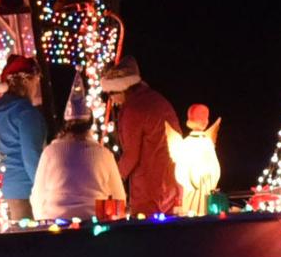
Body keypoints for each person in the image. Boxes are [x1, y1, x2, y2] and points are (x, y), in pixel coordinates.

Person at [30, 73, 126, 221]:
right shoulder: (104, 154)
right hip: (94, 224)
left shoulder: (50, 152)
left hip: (55, 223)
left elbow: (37, 195)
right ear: (90, 126)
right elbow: (119, 197)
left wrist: (42, 221)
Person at [101, 54, 180, 216]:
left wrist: (109, 181)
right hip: (171, 185)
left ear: (123, 88)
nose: (112, 100)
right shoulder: (156, 100)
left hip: (148, 190)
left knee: (145, 234)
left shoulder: (133, 110)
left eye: (111, 94)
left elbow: (131, 156)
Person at [0, 54, 47, 221]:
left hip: (6, 186)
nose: (36, 88)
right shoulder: (27, 114)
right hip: (26, 188)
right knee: (33, 241)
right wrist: (45, 189)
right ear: (27, 81)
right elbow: (31, 157)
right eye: (36, 82)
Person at [165, 103, 222, 216]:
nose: (206, 121)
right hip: (192, 188)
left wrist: (211, 176)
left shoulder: (207, 142)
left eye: (206, 118)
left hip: (206, 187)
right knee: (192, 212)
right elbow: (182, 168)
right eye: (203, 117)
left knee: (205, 210)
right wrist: (193, 179)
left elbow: (214, 165)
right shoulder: (187, 144)